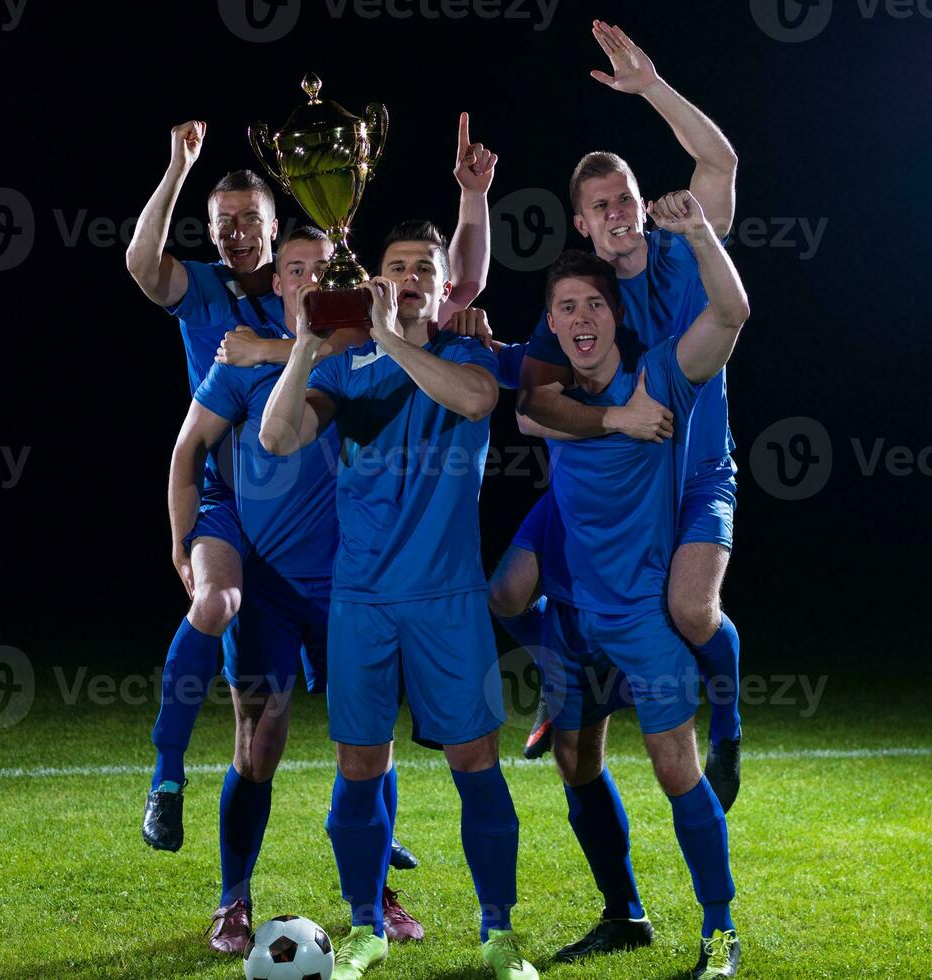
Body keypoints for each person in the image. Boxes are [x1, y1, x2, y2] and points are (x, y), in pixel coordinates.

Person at [127, 114, 497, 848]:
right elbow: (144, 270)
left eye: (252, 221)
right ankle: (170, 779)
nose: (238, 234)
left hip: (335, 534)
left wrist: (472, 199)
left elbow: (455, 284)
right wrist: (177, 167)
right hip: (238, 508)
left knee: (363, 718)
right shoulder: (212, 303)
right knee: (237, 663)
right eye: (224, 221)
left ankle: (377, 865)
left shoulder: (344, 316)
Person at [260, 222, 537, 980]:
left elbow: (479, 403)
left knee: (475, 762)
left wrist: (392, 337)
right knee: (358, 764)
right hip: (361, 602)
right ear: (374, 279)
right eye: (395, 266)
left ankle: (498, 932)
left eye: (424, 267)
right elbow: (278, 439)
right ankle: (363, 927)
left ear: (445, 287)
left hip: (447, 598)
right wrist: (308, 349)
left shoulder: (465, 353)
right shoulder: (345, 369)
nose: (410, 275)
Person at [482, 24, 745, 812]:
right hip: (606, 481)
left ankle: (727, 726)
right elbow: (530, 405)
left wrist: (652, 88)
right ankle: (559, 673)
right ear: (584, 226)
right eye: (601, 206)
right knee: (504, 592)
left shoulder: (680, 249)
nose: (619, 211)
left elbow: (720, 165)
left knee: (690, 609)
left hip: (693, 472)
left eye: (625, 197)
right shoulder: (579, 299)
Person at [167, 228, 426, 953]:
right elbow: (187, 450)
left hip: (354, 581)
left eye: (322, 268)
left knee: (369, 744)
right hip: (272, 587)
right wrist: (184, 541)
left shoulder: (372, 353)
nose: (308, 278)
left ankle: (375, 895)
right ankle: (232, 900)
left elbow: (444, 302)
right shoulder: (238, 362)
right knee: (258, 740)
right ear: (278, 284)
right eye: (294, 269)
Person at [531, 189, 749, 978]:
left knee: (672, 770)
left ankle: (719, 932)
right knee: (572, 759)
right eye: (565, 307)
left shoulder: (661, 377)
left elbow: (728, 315)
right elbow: (499, 392)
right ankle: (623, 914)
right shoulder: (545, 403)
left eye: (594, 303)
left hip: (640, 617)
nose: (581, 317)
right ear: (550, 325)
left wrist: (696, 237)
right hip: (571, 621)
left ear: (615, 314)